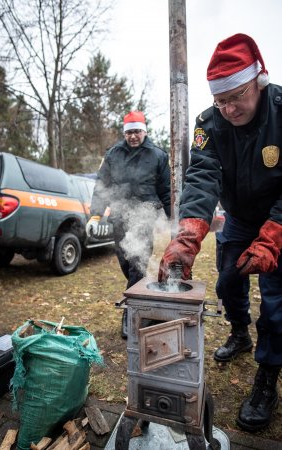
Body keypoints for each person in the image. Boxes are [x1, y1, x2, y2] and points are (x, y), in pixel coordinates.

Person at [158, 33, 282, 433]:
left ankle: (267, 375)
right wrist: (188, 236)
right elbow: (202, 177)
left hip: (279, 217)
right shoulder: (208, 124)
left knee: (277, 301)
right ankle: (240, 333)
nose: (229, 108)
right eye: (220, 100)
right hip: (239, 217)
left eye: (237, 96)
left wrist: (273, 235)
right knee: (228, 281)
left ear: (258, 80)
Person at [86, 111, 171, 338]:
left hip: (145, 216)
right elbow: (102, 185)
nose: (133, 136)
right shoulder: (113, 154)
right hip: (120, 216)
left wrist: (175, 221)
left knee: (137, 262)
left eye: (137, 131)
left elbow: (166, 190)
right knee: (127, 263)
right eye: (129, 132)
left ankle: (132, 313)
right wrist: (95, 215)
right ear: (125, 133)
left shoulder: (158, 155)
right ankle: (146, 298)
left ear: (145, 131)